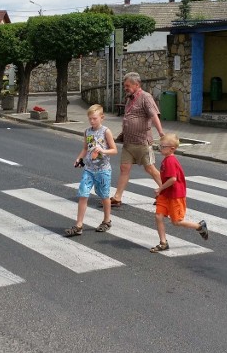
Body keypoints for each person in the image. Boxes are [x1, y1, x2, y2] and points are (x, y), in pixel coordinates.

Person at [108, 72, 165, 208]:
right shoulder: (129, 98)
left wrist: (161, 132)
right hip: (128, 142)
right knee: (124, 168)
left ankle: (166, 192)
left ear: (137, 84)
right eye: (124, 85)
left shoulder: (146, 97)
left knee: (150, 169)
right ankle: (117, 197)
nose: (125, 88)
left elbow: (154, 115)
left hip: (142, 142)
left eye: (127, 85)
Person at [65, 104, 118, 237]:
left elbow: (114, 150)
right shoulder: (87, 131)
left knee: (105, 196)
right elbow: (85, 148)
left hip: (103, 170)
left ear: (102, 117)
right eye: (90, 119)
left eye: (94, 118)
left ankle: (107, 220)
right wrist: (79, 159)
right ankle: (79, 225)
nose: (92, 121)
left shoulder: (106, 131)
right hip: (89, 169)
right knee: (83, 194)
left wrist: (103, 150)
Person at [150, 133, 208, 252]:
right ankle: (163, 242)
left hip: (175, 195)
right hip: (166, 195)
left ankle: (199, 226)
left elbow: (173, 179)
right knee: (158, 216)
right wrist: (161, 191)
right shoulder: (166, 159)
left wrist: (160, 188)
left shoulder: (170, 161)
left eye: (163, 146)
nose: (160, 148)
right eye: (160, 145)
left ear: (172, 148)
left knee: (176, 222)